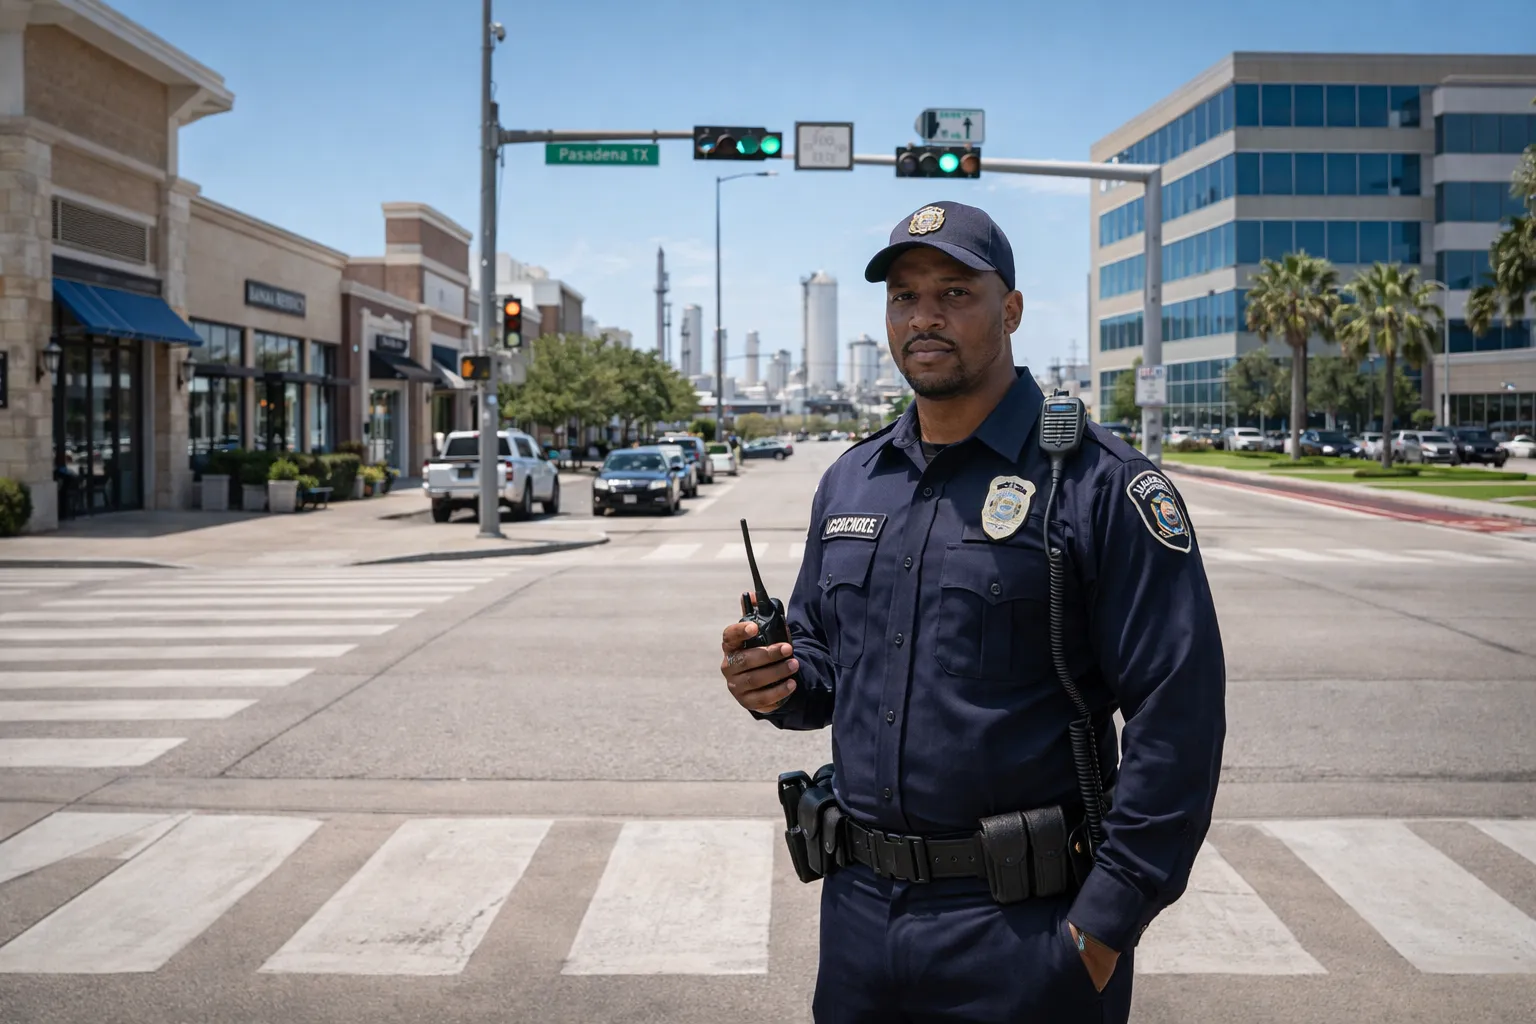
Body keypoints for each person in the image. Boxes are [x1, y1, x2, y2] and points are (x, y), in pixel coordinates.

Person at [720, 201, 1226, 1023]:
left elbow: (1180, 717)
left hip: (1025, 937)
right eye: (904, 297)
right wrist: (775, 678)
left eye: (954, 293)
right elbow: (823, 669)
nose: (924, 316)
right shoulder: (853, 480)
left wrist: (1103, 926)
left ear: (1011, 311)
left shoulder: (1098, 484)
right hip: (858, 926)